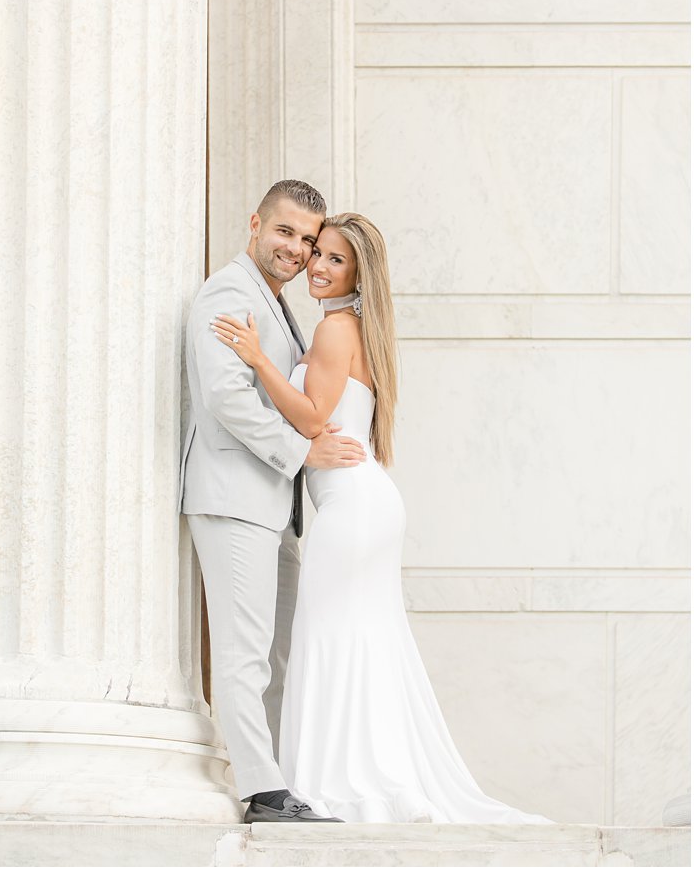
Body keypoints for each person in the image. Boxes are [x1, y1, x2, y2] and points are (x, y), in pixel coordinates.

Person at [212, 212, 550, 824]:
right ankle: (359, 774)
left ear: (360, 274)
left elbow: (313, 419)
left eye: (335, 260)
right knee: (359, 644)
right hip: (364, 503)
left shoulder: (338, 329)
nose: (317, 265)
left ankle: (330, 783)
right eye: (317, 253)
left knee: (328, 641)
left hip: (352, 509)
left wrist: (260, 360)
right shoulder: (353, 328)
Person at [178, 179, 366, 823]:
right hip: (234, 497)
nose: (297, 249)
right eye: (286, 232)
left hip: (271, 505)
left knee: (277, 653)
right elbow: (226, 400)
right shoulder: (229, 292)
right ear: (255, 222)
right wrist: (302, 452)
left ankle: (284, 780)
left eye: (309, 240)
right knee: (244, 651)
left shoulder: (277, 301)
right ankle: (260, 791)